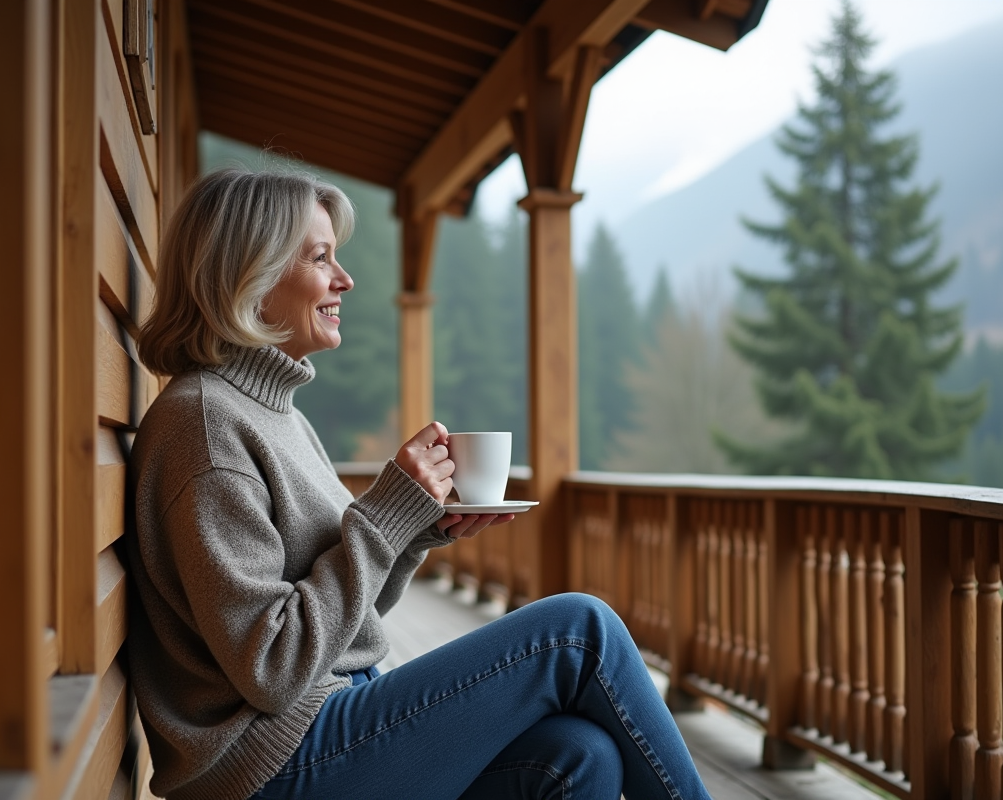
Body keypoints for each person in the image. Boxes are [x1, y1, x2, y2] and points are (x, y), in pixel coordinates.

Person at [126, 167, 714, 800]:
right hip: (268, 764)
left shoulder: (275, 414)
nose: (344, 279)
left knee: (580, 755)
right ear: (250, 274)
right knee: (580, 630)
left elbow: (337, 623)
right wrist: (381, 521)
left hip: (325, 722)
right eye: (321, 258)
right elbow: (272, 667)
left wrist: (410, 534)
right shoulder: (207, 428)